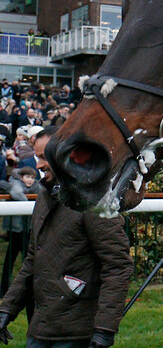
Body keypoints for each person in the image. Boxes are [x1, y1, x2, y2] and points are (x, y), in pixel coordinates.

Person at [0, 126, 133, 348]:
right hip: (42, 327)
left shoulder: (94, 198)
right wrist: (7, 310)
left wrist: (104, 330)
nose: (39, 165)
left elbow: (118, 266)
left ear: (67, 155)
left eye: (44, 157)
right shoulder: (45, 194)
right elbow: (32, 260)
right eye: (37, 157)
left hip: (76, 333)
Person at [0, 166, 41, 297]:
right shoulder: (15, 184)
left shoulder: (34, 187)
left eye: (33, 178)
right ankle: (12, 287)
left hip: (25, 228)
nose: (30, 180)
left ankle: (9, 287)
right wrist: (29, 205)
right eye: (28, 177)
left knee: (16, 258)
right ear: (22, 177)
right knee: (22, 258)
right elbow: (17, 193)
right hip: (17, 229)